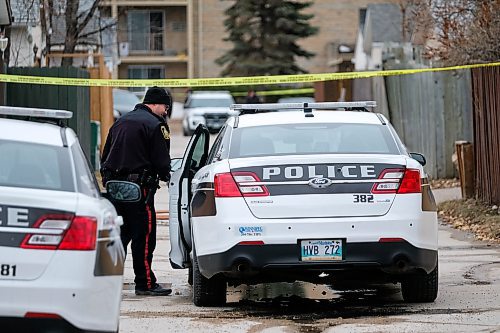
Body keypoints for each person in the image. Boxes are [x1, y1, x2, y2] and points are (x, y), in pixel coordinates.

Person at [101, 86, 172, 296]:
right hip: (139, 191)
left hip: (115, 189)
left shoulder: (120, 122)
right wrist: (169, 176)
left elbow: (105, 156)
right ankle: (145, 283)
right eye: (165, 107)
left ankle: (108, 280)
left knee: (119, 236)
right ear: (156, 104)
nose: (166, 112)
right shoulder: (156, 125)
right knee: (144, 236)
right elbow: (162, 162)